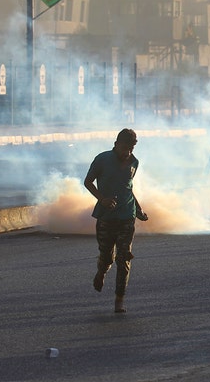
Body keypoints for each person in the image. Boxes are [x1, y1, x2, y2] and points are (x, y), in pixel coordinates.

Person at [84, 128, 149, 313]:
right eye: (126, 146)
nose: (128, 151)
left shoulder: (134, 162)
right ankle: (102, 271)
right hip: (106, 218)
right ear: (117, 143)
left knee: (124, 258)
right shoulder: (102, 159)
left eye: (132, 147)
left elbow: (128, 188)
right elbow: (88, 182)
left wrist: (138, 209)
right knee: (106, 257)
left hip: (127, 217)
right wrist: (102, 199)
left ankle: (119, 299)